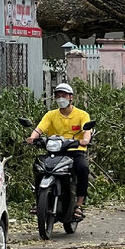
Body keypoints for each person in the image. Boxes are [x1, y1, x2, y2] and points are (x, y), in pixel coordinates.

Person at [26, 83, 92, 221]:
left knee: (83, 168)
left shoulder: (82, 114)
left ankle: (79, 204)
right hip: (54, 151)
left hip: (75, 151)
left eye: (64, 95)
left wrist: (85, 140)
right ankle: (39, 202)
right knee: (38, 167)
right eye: (57, 96)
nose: (60, 98)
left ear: (71, 97)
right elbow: (39, 129)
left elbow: (87, 131)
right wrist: (32, 138)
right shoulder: (51, 115)